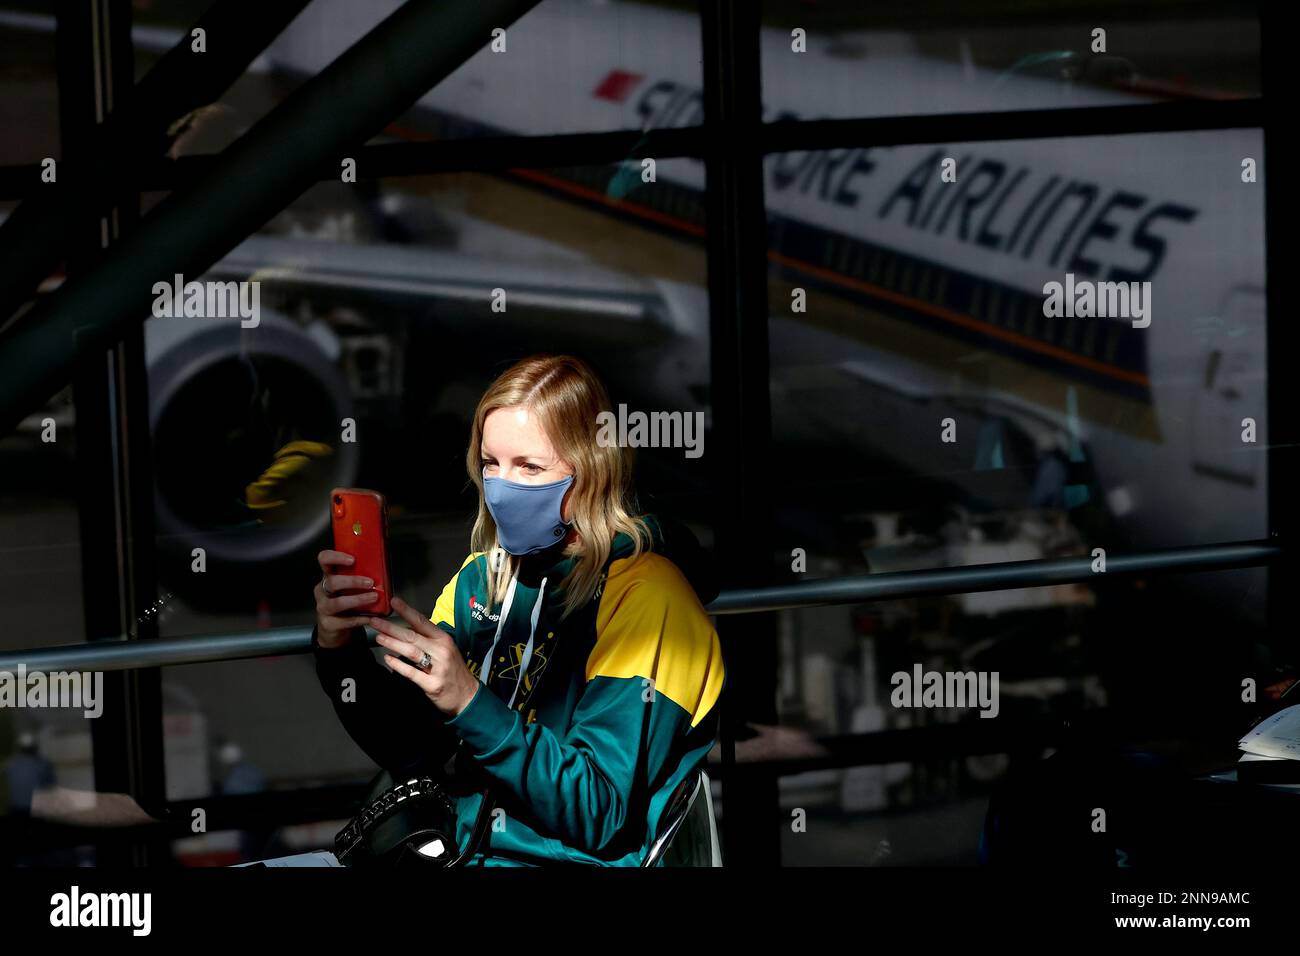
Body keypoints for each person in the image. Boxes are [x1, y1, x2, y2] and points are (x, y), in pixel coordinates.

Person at [311, 354, 726, 866]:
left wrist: (470, 701)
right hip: (460, 853)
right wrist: (339, 650)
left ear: (591, 470)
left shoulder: (648, 597)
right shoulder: (481, 580)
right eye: (491, 463)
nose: (502, 488)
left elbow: (598, 811)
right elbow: (411, 750)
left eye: (530, 466)